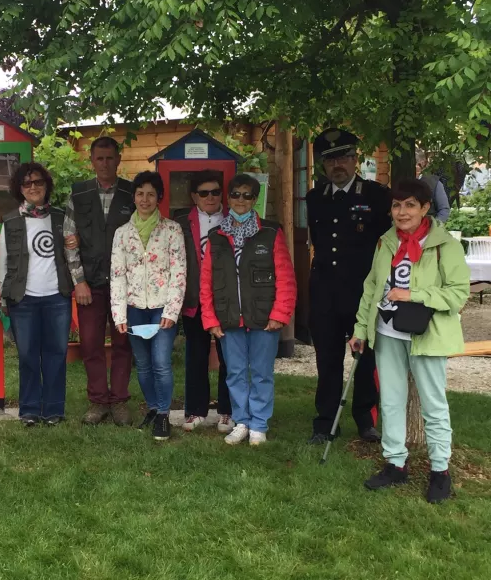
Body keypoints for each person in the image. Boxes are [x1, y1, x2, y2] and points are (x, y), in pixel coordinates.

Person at [348, 179, 469, 504]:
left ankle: (440, 471)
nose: (402, 212)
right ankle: (395, 464)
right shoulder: (385, 241)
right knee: (390, 400)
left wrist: (413, 294)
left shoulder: (445, 245)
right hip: (387, 332)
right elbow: (372, 286)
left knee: (433, 405)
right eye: (397, 205)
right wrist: (361, 329)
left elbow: (459, 293)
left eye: (410, 205)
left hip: (427, 334)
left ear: (426, 208)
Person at [306, 128, 391, 445]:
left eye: (343, 157)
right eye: (330, 159)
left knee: (365, 358)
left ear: (356, 160)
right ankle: (326, 421)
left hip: (361, 292)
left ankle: (365, 420)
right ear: (323, 165)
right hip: (325, 292)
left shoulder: (376, 196)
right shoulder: (315, 198)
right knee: (326, 359)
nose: (337, 164)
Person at [199, 174, 296, 445]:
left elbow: (286, 278)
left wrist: (280, 314)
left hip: (264, 318)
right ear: (228, 199)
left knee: (262, 372)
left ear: (254, 200)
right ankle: (241, 420)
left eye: (247, 195)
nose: (240, 200)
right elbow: (206, 281)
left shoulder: (270, 232)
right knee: (235, 372)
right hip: (229, 318)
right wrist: (210, 318)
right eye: (236, 195)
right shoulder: (216, 237)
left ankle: (259, 424)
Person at [63, 136, 135, 426]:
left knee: (123, 344)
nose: (104, 163)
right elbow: (70, 240)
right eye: (99, 158)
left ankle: (118, 402)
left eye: (110, 158)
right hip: (90, 285)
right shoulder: (79, 195)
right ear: (91, 161)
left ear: (118, 159)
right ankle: (97, 402)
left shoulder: (133, 193)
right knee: (91, 344)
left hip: (126, 286)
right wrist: (78, 280)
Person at [110, 172, 186, 440]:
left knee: (161, 362)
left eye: (150, 194)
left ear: (159, 198)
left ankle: (164, 415)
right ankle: (153, 408)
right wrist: (119, 313)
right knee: (142, 364)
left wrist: (171, 311)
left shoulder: (172, 230)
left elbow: (179, 272)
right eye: (140, 193)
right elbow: (118, 275)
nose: (145, 199)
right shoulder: (122, 234)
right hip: (134, 308)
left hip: (161, 307)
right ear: (134, 197)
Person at [0, 163, 72, 426]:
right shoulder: (11, 221)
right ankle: (29, 409)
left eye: (38, 182)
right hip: (24, 298)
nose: (33, 187)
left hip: (57, 296)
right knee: (28, 355)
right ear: (20, 189)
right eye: (27, 184)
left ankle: (53, 409)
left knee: (56, 353)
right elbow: (3, 261)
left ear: (46, 185)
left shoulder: (61, 217)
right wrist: (5, 297)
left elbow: (72, 254)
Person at [173, 170, 234, 434]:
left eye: (216, 192)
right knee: (195, 355)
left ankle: (227, 411)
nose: (211, 197)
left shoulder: (233, 220)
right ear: (194, 196)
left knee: (228, 356)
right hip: (194, 299)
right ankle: (195, 410)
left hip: (225, 300)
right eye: (204, 193)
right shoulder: (181, 222)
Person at [415, 149, 451, 222]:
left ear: (422, 164)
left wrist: (433, 229)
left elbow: (444, 210)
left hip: (428, 228)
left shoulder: (434, 183)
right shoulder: (400, 181)